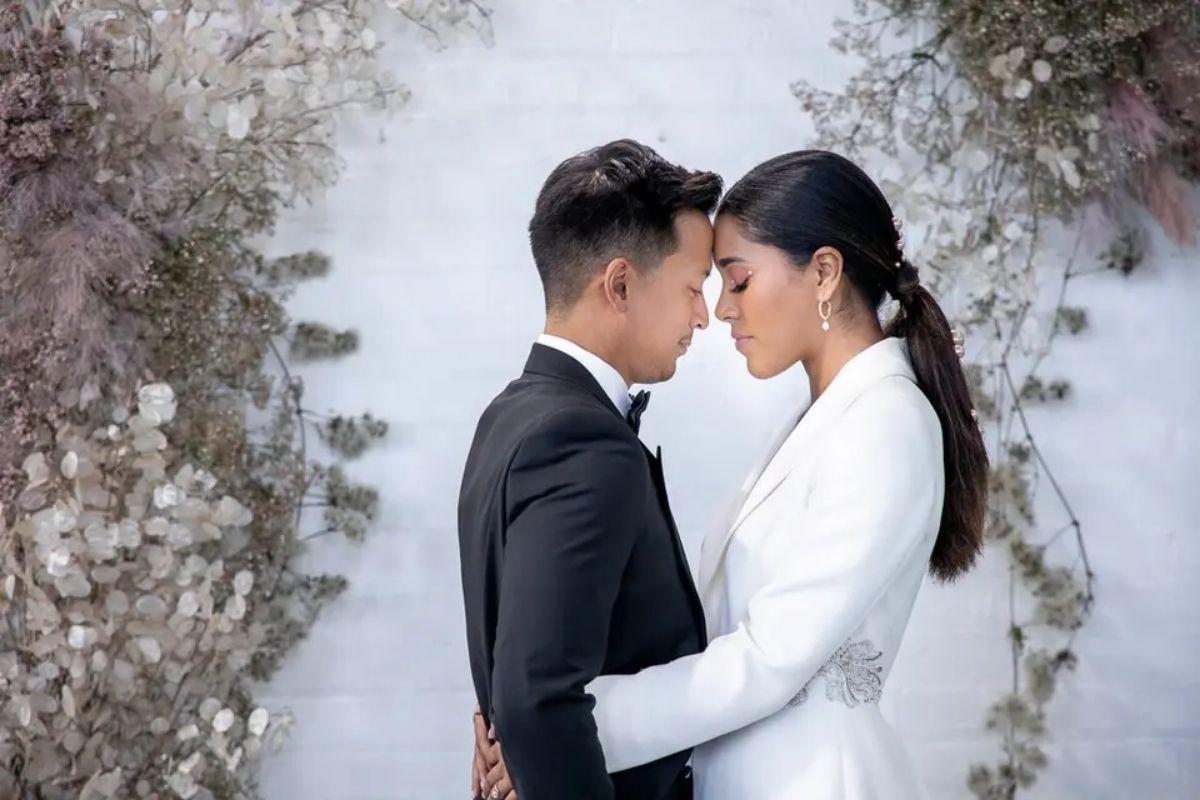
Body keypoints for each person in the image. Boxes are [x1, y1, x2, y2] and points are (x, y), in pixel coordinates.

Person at [477, 150, 989, 799]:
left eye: (738, 281)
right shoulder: (823, 421)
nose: (719, 311)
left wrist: (561, 723)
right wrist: (535, 726)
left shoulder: (887, 423)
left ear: (824, 273)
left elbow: (768, 659)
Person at [457, 139, 723, 800]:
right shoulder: (583, 442)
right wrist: (517, 730)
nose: (704, 316)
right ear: (622, 284)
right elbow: (536, 697)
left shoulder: (508, 415)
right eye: (693, 287)